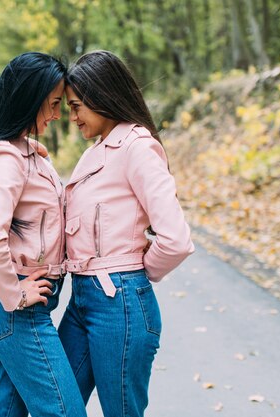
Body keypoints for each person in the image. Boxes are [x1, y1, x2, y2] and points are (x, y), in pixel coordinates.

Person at [58, 50, 195, 417]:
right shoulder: (95, 153)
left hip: (119, 303)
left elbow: (176, 239)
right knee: (55, 403)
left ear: (102, 97)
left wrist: (134, 271)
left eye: (77, 106)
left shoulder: (137, 146)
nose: (71, 117)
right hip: (82, 299)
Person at [0, 52, 86, 417]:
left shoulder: (26, 153)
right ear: (28, 98)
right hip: (19, 311)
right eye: (52, 104)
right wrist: (15, 294)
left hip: (20, 308)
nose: (56, 114)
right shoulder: (8, 160)